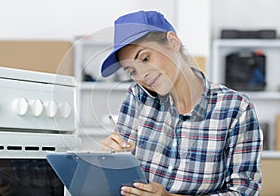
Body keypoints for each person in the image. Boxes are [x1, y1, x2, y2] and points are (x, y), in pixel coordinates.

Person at [100, 10, 262, 196]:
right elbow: (120, 182)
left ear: (173, 42)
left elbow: (244, 192)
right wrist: (109, 159)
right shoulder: (137, 98)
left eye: (145, 58)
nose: (142, 75)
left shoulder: (237, 109)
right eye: (132, 71)